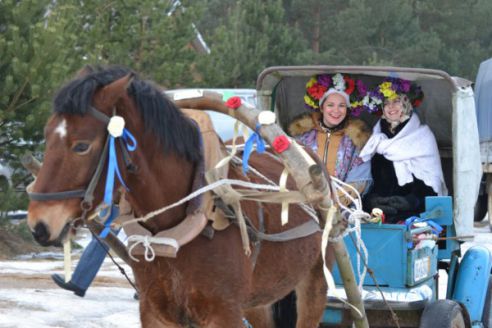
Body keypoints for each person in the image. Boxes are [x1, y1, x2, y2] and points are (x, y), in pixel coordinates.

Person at [273, 73, 372, 327]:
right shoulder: (301, 139)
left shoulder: (356, 142)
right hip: (301, 205)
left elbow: (359, 181)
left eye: (341, 106)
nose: (335, 111)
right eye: (330, 105)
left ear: (348, 109)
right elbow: (286, 170)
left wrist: (332, 202)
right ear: (321, 107)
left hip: (340, 206)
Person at [359, 78, 447, 223]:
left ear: (406, 103)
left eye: (396, 101)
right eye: (386, 103)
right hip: (379, 214)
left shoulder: (422, 137)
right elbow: (370, 180)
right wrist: (372, 200)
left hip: (415, 215)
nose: (391, 107)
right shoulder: (377, 140)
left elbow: (433, 185)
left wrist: (411, 201)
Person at [51, 204, 138, 299]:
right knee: (141, 239)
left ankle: (79, 281)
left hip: (121, 198)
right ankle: (146, 286)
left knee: (103, 236)